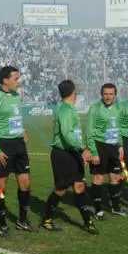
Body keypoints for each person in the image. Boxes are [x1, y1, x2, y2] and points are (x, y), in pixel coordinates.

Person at [41, 80, 97, 234]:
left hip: (72, 152)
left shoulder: (69, 109)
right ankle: (46, 220)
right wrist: (83, 148)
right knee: (61, 190)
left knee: (79, 186)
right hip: (63, 154)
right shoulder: (64, 110)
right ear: (74, 91)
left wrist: (79, 151)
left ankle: (88, 222)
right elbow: (66, 135)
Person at [0, 66, 32, 235]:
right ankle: (3, 225)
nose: (19, 81)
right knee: (1, 187)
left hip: (19, 144)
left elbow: (14, 119)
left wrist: (22, 130)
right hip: (2, 146)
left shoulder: (17, 96)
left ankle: (22, 220)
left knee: (26, 184)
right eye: (16, 78)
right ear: (5, 80)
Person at [85, 83, 125, 217]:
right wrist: (94, 152)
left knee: (115, 177)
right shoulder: (95, 108)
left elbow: (118, 128)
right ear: (101, 94)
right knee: (99, 178)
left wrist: (120, 145)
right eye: (105, 94)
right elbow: (89, 132)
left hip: (113, 147)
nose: (108, 97)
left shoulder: (118, 108)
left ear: (115, 95)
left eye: (111, 94)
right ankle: (97, 209)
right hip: (100, 146)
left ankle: (115, 207)